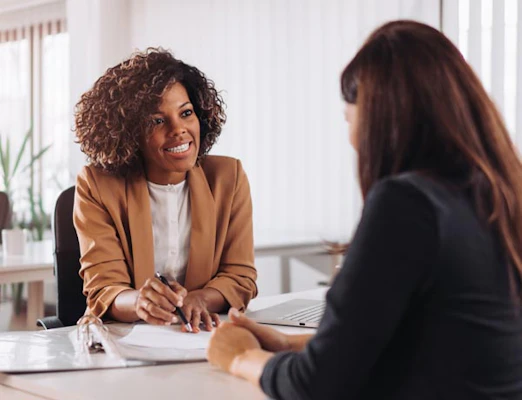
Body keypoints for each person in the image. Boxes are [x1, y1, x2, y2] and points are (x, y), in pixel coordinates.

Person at [206, 20, 522, 398]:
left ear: (379, 119)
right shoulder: (499, 193)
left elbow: (318, 386)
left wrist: (241, 357)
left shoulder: (408, 205)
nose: (353, 141)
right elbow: (434, 342)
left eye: (349, 120)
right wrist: (290, 345)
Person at [73, 48, 257, 332]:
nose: (179, 129)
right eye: (157, 120)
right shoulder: (97, 185)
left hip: (200, 337)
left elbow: (240, 276)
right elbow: (104, 288)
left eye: (186, 113)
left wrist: (200, 299)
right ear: (130, 132)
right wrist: (139, 302)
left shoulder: (227, 178)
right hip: (123, 341)